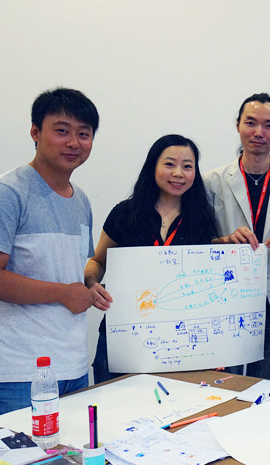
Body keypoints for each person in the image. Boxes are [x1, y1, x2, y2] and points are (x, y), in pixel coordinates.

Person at [0, 87, 100, 422]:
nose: (73, 142)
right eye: (62, 131)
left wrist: (89, 285)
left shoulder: (81, 200)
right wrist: (64, 293)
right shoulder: (5, 192)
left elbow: (70, 269)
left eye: (83, 134)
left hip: (73, 366)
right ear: (35, 132)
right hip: (15, 373)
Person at [85, 134, 217, 384]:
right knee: (116, 403)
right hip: (123, 336)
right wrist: (91, 283)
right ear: (152, 166)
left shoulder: (202, 219)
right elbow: (98, 261)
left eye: (187, 166)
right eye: (169, 164)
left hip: (179, 341)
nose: (178, 173)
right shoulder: (125, 213)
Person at [204, 93, 270, 380]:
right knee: (221, 384)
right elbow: (199, 242)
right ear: (238, 125)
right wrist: (225, 241)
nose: (259, 132)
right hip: (224, 298)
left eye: (269, 125)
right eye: (251, 123)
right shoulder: (212, 181)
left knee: (264, 385)